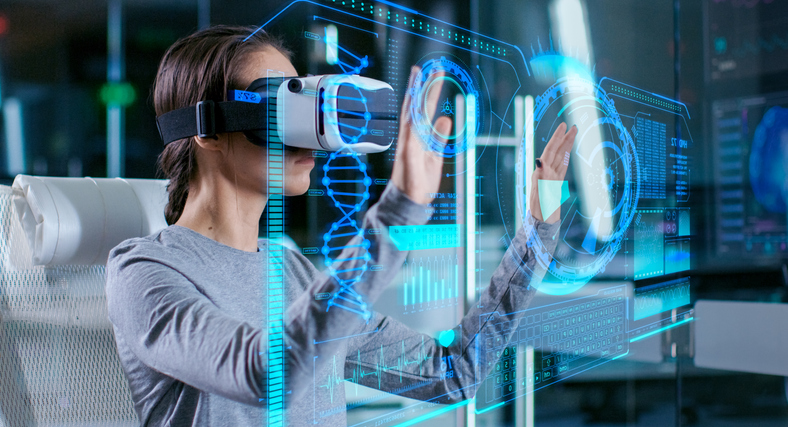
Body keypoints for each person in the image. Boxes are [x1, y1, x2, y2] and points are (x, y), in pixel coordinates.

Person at [106, 25, 577, 426]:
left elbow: (452, 373)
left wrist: (537, 234)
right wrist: (398, 212)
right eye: (282, 107)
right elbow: (263, 375)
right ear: (208, 130)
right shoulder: (144, 271)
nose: (310, 135)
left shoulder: (291, 271)